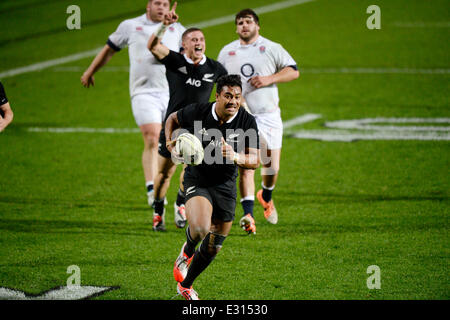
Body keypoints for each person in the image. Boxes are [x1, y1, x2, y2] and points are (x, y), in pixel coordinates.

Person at [80, 0, 186, 209]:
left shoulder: (178, 29)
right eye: (157, 3)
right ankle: (151, 189)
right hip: (143, 92)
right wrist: (91, 71)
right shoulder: (130, 26)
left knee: (173, 142)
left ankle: (164, 187)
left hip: (171, 92)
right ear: (148, 5)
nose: (161, 7)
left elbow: (186, 60)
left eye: (165, 3)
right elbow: (109, 50)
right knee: (152, 137)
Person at [166, 74, 260, 300]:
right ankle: (186, 252)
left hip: (226, 185)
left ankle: (186, 286)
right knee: (200, 228)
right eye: (228, 96)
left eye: (237, 97)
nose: (233, 101)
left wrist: (235, 156)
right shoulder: (198, 112)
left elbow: (256, 160)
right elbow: (172, 119)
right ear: (217, 96)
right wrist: (170, 144)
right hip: (198, 178)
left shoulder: (247, 121)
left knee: (213, 246)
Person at [218, 9, 299, 234]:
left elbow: (293, 71)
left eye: (249, 22)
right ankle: (248, 215)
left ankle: (266, 194)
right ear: (236, 27)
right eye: (240, 22)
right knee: (246, 164)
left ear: (257, 26)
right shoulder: (227, 52)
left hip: (269, 115)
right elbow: (220, 83)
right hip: (242, 117)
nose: (244, 26)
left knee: (271, 165)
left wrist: (269, 79)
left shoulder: (272, 48)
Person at [147, 4, 227, 231]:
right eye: (193, 39)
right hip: (173, 125)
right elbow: (152, 46)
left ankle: (180, 204)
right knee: (164, 173)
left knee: (191, 169)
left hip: (199, 126)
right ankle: (158, 211)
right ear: (184, 44)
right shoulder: (175, 61)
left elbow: (229, 92)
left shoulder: (215, 67)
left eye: (201, 39)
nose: (198, 42)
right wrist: (164, 26)